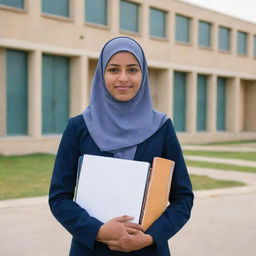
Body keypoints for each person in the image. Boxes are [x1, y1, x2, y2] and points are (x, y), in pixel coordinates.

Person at [49, 36, 194, 256]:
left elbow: (183, 198)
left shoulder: (161, 127)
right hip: (91, 249)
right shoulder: (78, 127)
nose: (123, 78)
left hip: (148, 250)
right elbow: (59, 198)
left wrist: (150, 237)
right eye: (114, 70)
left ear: (143, 74)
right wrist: (97, 230)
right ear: (101, 74)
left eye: (133, 70)